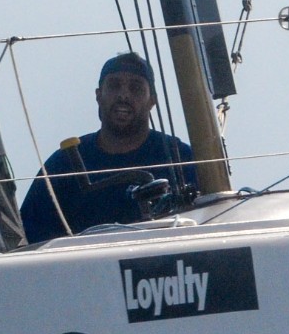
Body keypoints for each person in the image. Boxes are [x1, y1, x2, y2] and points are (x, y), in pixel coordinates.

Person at [20, 52, 196, 244]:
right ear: (98, 95)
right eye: (114, 86)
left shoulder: (181, 157)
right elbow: (29, 237)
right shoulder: (64, 163)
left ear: (152, 101)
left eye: (136, 88)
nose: (123, 95)